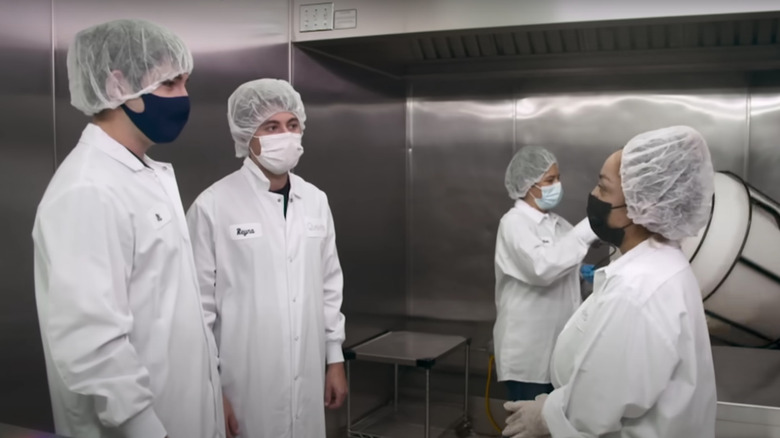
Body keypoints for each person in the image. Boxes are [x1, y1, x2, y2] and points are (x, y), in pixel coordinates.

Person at [32, 19, 224, 438]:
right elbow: (91, 342)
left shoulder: (142, 174)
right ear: (118, 86)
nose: (184, 97)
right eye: (171, 84)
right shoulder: (87, 190)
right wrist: (146, 429)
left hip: (182, 414)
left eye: (185, 82)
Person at [502, 126, 717, 438]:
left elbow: (594, 412)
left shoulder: (636, 289)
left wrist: (549, 416)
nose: (593, 195)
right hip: (530, 347)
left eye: (603, 188)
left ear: (639, 206)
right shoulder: (662, 264)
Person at [186, 78, 347, 438]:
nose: (284, 136)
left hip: (307, 376)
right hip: (241, 385)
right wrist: (212, 391)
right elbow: (198, 309)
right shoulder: (213, 205)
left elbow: (328, 285)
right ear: (246, 135)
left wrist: (334, 358)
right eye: (271, 127)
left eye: (292, 125)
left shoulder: (315, 200)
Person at [494, 146, 598, 402]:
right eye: (549, 180)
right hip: (528, 357)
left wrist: (582, 276)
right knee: (527, 427)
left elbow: (564, 264)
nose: (557, 185)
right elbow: (542, 268)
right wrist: (591, 226)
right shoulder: (514, 223)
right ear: (528, 185)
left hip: (558, 351)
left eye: (558, 178)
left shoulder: (559, 224)